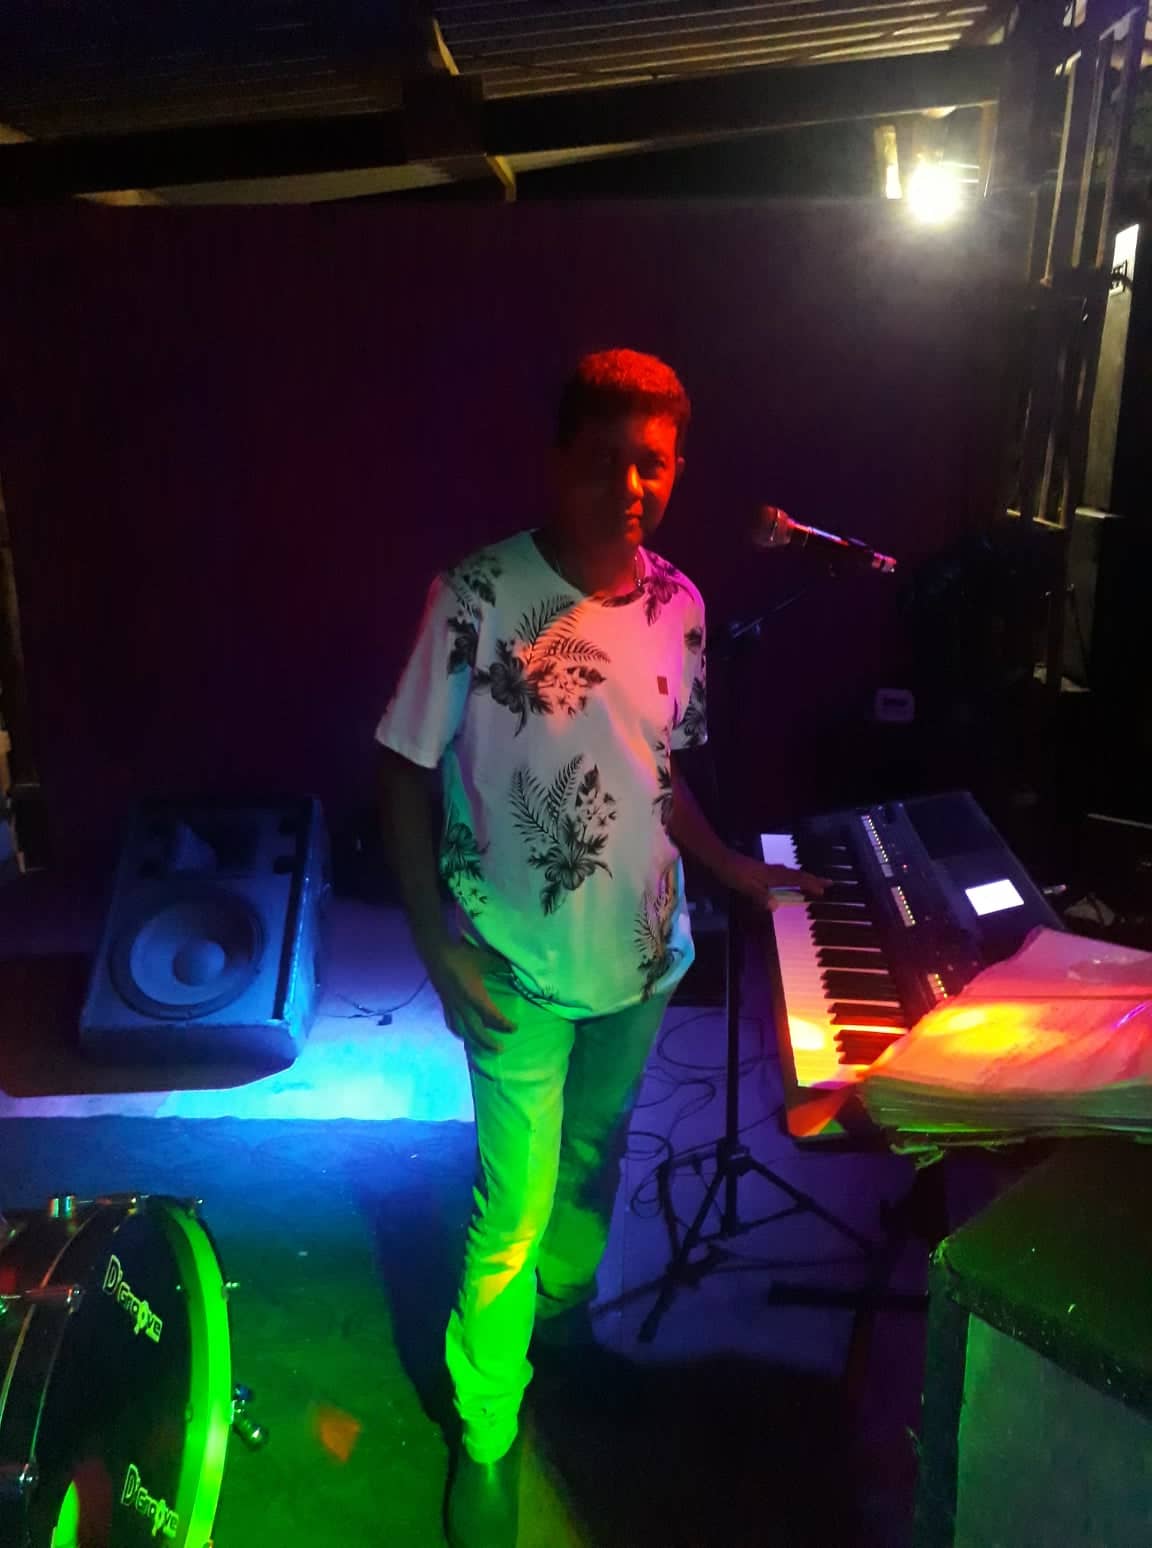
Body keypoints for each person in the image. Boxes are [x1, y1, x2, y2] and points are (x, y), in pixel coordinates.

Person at [375, 348, 823, 1548]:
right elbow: (401, 772)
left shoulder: (682, 606)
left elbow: (659, 774)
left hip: (641, 960)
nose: (633, 484)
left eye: (655, 463)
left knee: (594, 1166)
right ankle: (487, 1434)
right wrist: (437, 948)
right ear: (558, 458)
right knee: (509, 1213)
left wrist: (725, 869)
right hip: (511, 968)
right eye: (609, 458)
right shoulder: (475, 596)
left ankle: (559, 1330)